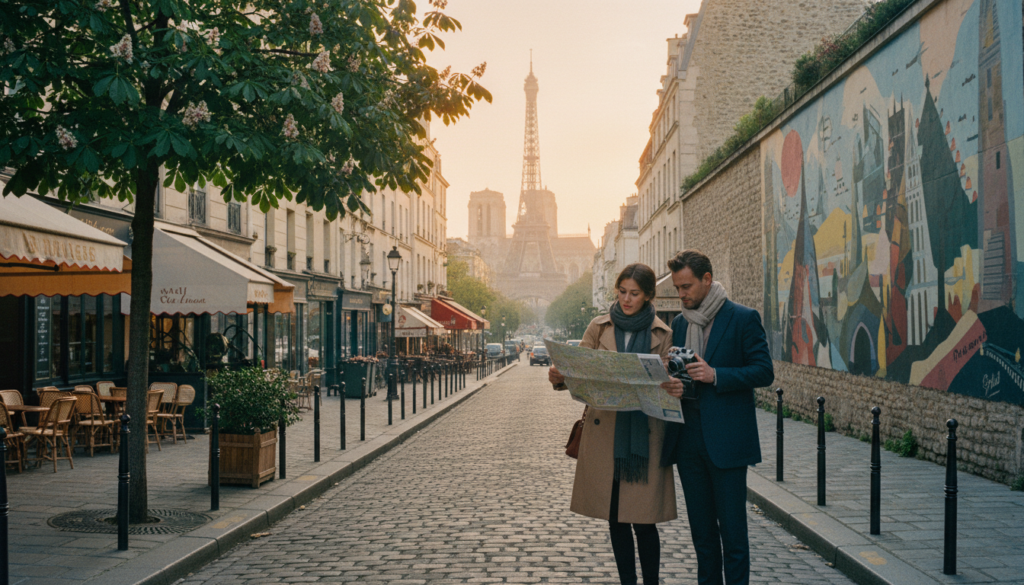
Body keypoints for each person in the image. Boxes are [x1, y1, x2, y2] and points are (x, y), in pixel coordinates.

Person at [549, 263, 677, 585]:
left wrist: (665, 379)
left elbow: (671, 386)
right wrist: (560, 376)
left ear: (648, 296)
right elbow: (577, 370)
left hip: (643, 438)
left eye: (634, 294)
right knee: (616, 518)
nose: (626, 299)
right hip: (605, 433)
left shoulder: (663, 333)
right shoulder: (598, 326)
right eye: (622, 292)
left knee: (644, 522)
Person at [659, 250, 774, 585]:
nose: (681, 294)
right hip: (688, 441)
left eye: (687, 286)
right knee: (703, 535)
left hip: (727, 441)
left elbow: (763, 371)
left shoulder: (742, 318)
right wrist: (675, 383)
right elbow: (683, 378)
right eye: (678, 287)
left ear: (707, 280)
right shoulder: (680, 323)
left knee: (734, 535)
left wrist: (716, 375)